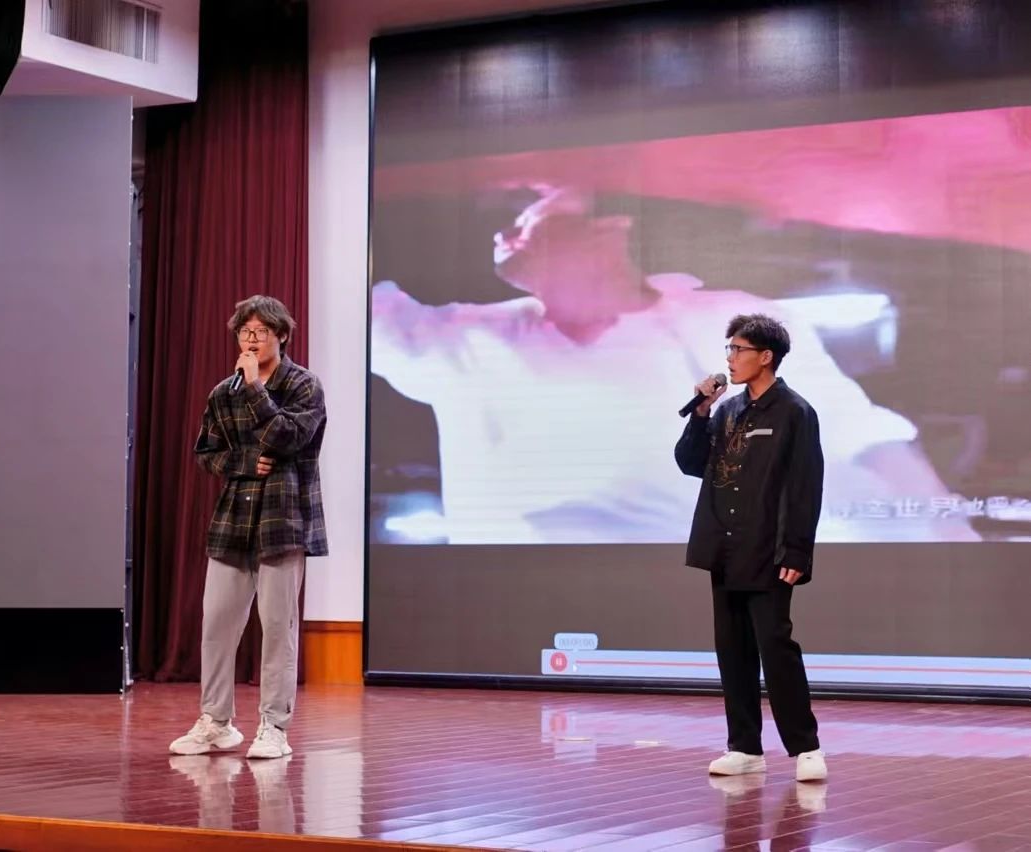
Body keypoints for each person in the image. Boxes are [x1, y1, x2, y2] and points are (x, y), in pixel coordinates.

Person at [370, 185, 978, 545]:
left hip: (693, 578)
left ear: (609, 229)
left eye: (531, 212)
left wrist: (949, 531)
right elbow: (356, 303)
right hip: (517, 593)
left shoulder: (727, 319)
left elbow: (855, 436)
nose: (507, 227)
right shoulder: (467, 335)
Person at [169, 295, 327, 760]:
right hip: (232, 521)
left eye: (261, 332)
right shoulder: (224, 392)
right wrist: (241, 462)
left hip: (283, 521)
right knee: (217, 626)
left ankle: (274, 727)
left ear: (282, 335)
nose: (251, 340)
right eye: (245, 332)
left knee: (278, 629)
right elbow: (206, 452)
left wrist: (257, 388)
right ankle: (216, 722)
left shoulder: (303, 386)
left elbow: (288, 438)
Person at [675, 313, 827, 782]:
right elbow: (691, 463)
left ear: (766, 356)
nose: (730, 358)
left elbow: (805, 485)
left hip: (768, 550)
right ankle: (744, 747)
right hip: (725, 547)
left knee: (776, 647)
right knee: (733, 650)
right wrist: (701, 413)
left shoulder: (795, 412)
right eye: (729, 349)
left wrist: (797, 550)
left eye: (738, 350)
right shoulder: (726, 411)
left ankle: (806, 748)